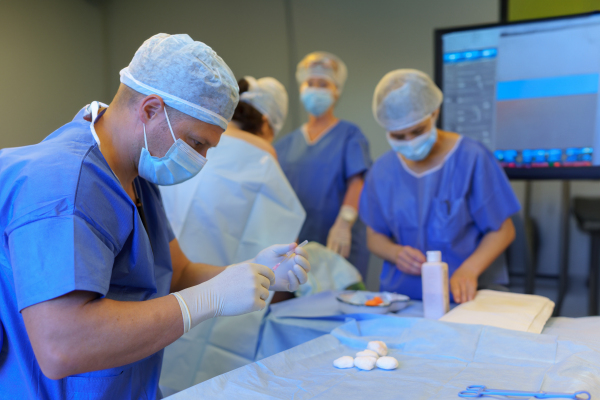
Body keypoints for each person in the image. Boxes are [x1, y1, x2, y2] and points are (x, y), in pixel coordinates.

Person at [0, 33, 310, 400]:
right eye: (197, 143)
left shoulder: (136, 177)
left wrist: (254, 272)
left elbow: (176, 272)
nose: (202, 159)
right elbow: (61, 346)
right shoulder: (67, 185)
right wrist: (208, 300)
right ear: (150, 109)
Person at [158, 76, 306, 393]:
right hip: (219, 302)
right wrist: (270, 272)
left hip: (156, 293)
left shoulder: (181, 144)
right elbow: (272, 235)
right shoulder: (264, 158)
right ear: (266, 122)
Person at [360, 69, 519, 304]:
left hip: (462, 298)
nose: (410, 143)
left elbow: (503, 230)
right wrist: (395, 253)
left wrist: (469, 269)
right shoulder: (382, 170)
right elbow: (374, 235)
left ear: (434, 112)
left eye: (417, 131)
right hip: (403, 300)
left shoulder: (471, 158)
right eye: (398, 136)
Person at [160, 76, 304, 267]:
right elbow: (281, 232)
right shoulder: (263, 152)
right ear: (264, 122)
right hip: (211, 277)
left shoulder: (196, 133)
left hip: (162, 263)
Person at [275, 51, 372, 278]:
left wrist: (344, 222)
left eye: (323, 84)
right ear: (301, 89)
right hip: (297, 241)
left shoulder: (349, 135)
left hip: (337, 240)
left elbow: (357, 180)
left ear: (336, 92)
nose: (315, 89)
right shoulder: (286, 144)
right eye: (310, 83)